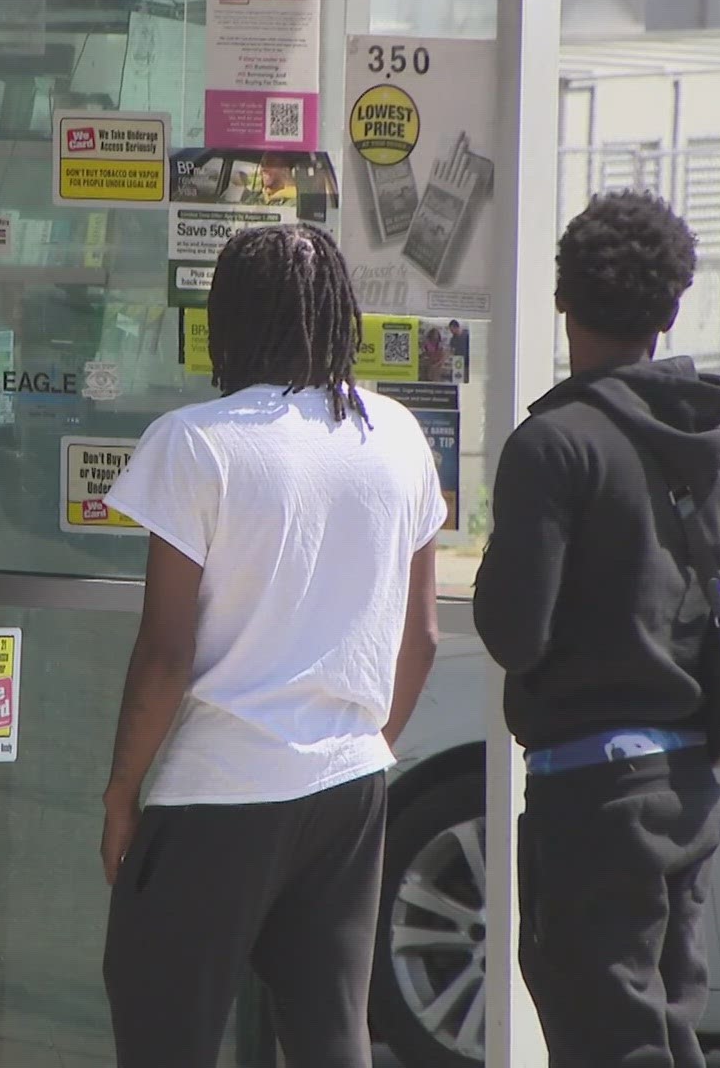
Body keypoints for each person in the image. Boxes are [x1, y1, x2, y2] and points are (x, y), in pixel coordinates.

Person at [97, 223, 445, 1068]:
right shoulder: (397, 435)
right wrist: (358, 744)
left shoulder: (196, 441)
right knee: (331, 1034)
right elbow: (423, 637)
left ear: (227, 320)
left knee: (162, 1028)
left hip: (218, 790)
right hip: (350, 781)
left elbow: (165, 658)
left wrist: (121, 793)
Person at [474, 190, 720, 1068]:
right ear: (671, 310)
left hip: (591, 799)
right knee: (663, 1037)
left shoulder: (553, 445)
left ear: (563, 302)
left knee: (603, 1040)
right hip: (687, 791)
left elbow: (512, 635)